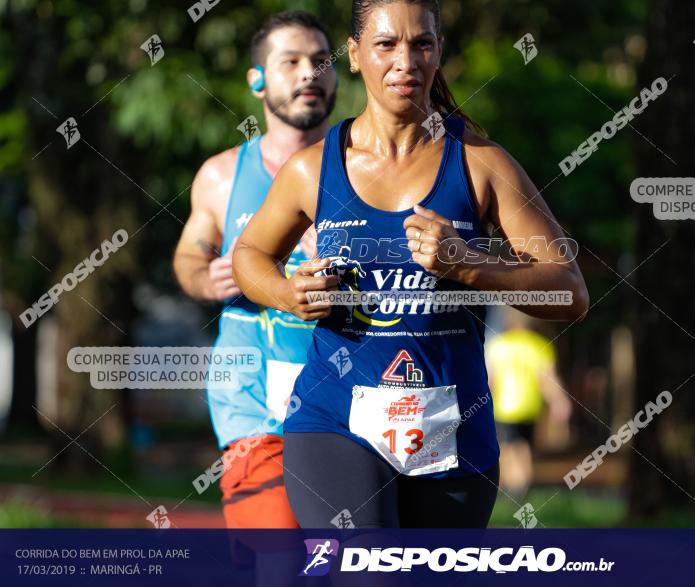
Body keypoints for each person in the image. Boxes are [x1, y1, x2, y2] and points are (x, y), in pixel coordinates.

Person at [232, 0, 589, 528]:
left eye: (422, 44)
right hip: (334, 421)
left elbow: (570, 292)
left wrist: (469, 264)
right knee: (369, 569)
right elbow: (250, 254)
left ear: (439, 52)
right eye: (386, 45)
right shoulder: (312, 169)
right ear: (354, 56)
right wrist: (288, 293)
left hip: (453, 430)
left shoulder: (482, 164)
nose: (406, 60)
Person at [172, 10, 338, 529]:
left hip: (349, 394)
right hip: (251, 401)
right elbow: (187, 259)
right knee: (280, 562)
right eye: (290, 62)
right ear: (257, 79)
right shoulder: (222, 176)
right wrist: (207, 278)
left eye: (320, 61)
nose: (308, 74)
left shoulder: (366, 173)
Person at [486, 307, 573, 501]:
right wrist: (560, 402)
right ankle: (521, 485)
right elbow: (548, 380)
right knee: (525, 447)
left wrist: (482, 403)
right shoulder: (540, 346)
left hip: (504, 407)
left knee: (508, 447)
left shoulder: (498, 345)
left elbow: (491, 380)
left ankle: (516, 487)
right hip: (530, 406)